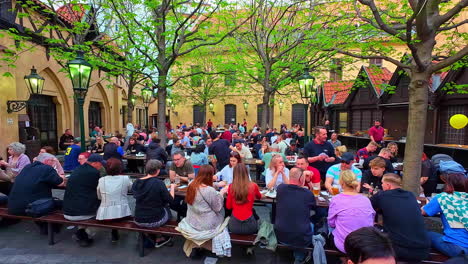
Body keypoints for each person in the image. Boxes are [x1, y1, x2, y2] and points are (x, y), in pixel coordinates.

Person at [370, 173, 430, 262]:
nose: (381, 185)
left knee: (371, 229)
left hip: (398, 250)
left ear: (388, 185)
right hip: (423, 250)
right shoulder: (410, 195)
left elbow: (368, 207)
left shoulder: (381, 195)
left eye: (382, 183)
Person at [177, 165, 227, 257]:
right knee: (223, 211)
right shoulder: (209, 190)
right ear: (210, 175)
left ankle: (198, 245)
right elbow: (217, 208)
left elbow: (203, 186)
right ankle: (209, 245)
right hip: (206, 224)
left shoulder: (191, 184)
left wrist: (217, 184)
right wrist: (221, 193)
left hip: (192, 220)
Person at [275, 167, 316, 264]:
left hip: (281, 236)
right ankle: (299, 257)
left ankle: (285, 255)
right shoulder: (308, 194)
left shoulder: (280, 189)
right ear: (301, 179)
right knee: (312, 224)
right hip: (300, 237)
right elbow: (313, 208)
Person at [63, 154, 106, 247]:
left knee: (86, 202)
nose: (101, 166)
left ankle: (81, 232)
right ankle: (85, 234)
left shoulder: (78, 169)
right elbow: (101, 189)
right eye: (100, 164)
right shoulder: (94, 173)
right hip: (81, 213)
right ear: (95, 163)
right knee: (105, 212)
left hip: (67, 210)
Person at [328, 170, 375, 253]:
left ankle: (342, 260)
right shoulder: (366, 199)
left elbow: (331, 223)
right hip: (365, 244)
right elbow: (371, 220)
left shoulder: (336, 199)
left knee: (329, 227)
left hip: (344, 245)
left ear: (342, 183)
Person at [422, 173, 468, 257]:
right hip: (462, 246)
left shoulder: (443, 197)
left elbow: (423, 212)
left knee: (425, 234)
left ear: (448, 184)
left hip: (458, 249)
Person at [133, 159, 176, 247]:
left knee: (160, 206)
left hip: (138, 218)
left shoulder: (136, 182)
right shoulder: (158, 183)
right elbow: (170, 199)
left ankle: (150, 235)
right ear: (158, 170)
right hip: (154, 220)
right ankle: (160, 237)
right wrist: (172, 187)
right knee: (167, 209)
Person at [96, 158, 132, 242]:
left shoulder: (101, 180)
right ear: (120, 168)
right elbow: (132, 188)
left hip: (105, 214)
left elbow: (99, 196)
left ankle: (114, 232)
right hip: (122, 213)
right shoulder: (125, 179)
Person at [226, 164, 261, 235]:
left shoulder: (231, 186)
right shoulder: (253, 185)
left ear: (234, 173)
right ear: (246, 173)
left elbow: (228, 206)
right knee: (259, 220)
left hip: (234, 226)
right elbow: (259, 196)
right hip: (250, 226)